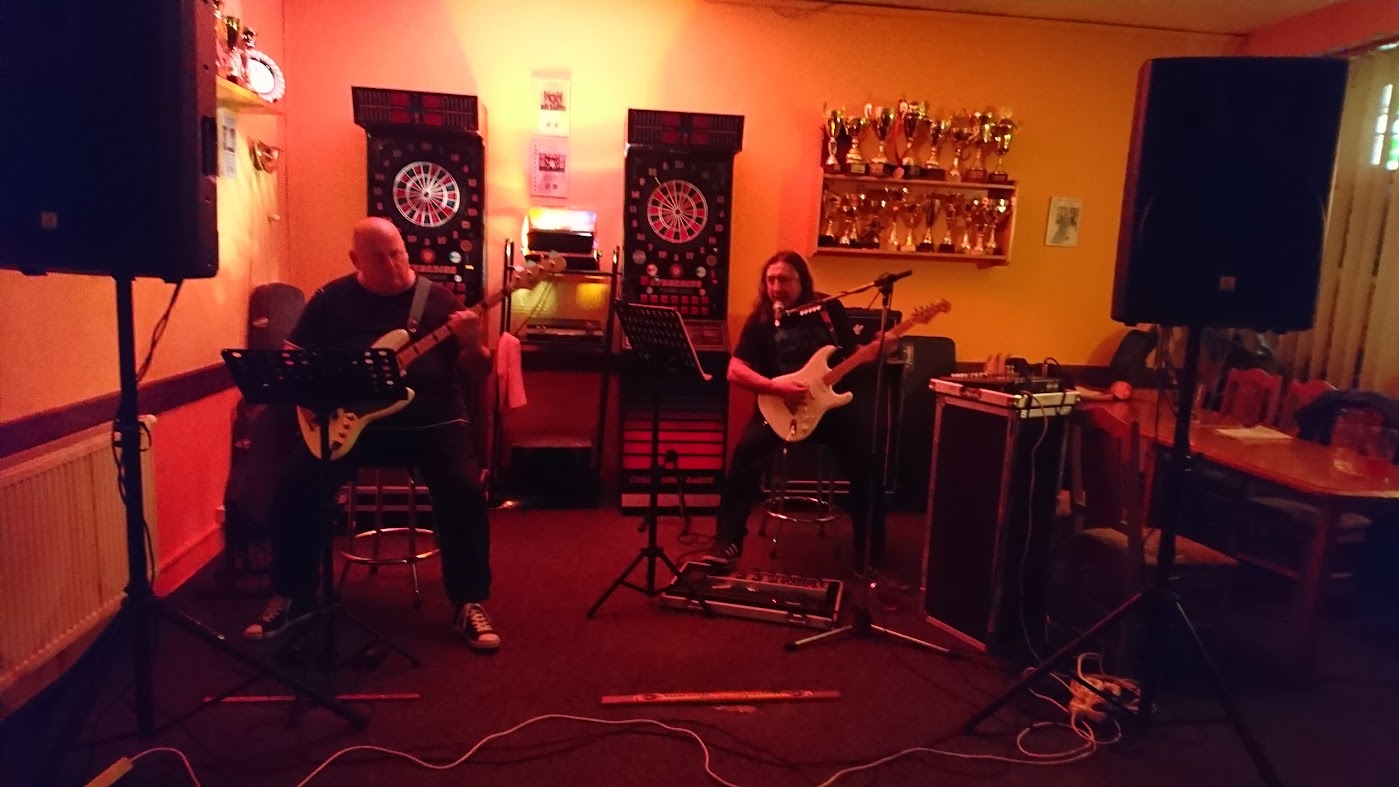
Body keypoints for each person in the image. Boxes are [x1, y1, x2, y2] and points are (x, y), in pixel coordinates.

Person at [243, 217, 500, 651]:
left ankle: (468, 601)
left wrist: (473, 344)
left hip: (431, 422)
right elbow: (293, 359)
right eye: (378, 258)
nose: (392, 264)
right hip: (351, 424)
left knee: (464, 488)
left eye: (397, 253)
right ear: (355, 260)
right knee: (295, 484)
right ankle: (292, 595)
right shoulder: (330, 300)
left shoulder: (439, 300)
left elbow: (476, 371)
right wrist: (306, 398)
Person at [706, 250, 886, 571]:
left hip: (831, 409)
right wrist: (776, 388)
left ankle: (869, 551)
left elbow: (853, 353)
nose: (776, 287)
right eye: (770, 280)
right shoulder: (760, 319)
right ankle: (727, 542)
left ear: (802, 281)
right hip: (779, 407)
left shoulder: (829, 309)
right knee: (744, 456)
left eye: (784, 280)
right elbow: (734, 370)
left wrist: (877, 348)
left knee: (867, 464)